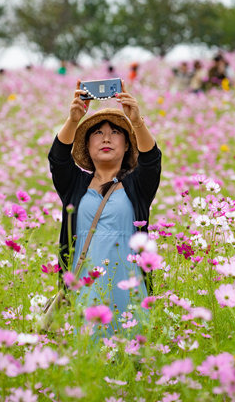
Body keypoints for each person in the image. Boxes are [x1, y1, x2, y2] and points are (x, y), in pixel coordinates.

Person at [48, 79, 161, 335]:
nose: (107, 138)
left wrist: (136, 121)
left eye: (116, 132)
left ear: (127, 145)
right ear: (87, 145)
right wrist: (74, 119)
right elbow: (57, 158)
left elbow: (152, 160)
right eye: (98, 132)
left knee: (131, 362)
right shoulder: (74, 185)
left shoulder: (138, 186)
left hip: (130, 292)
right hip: (84, 291)